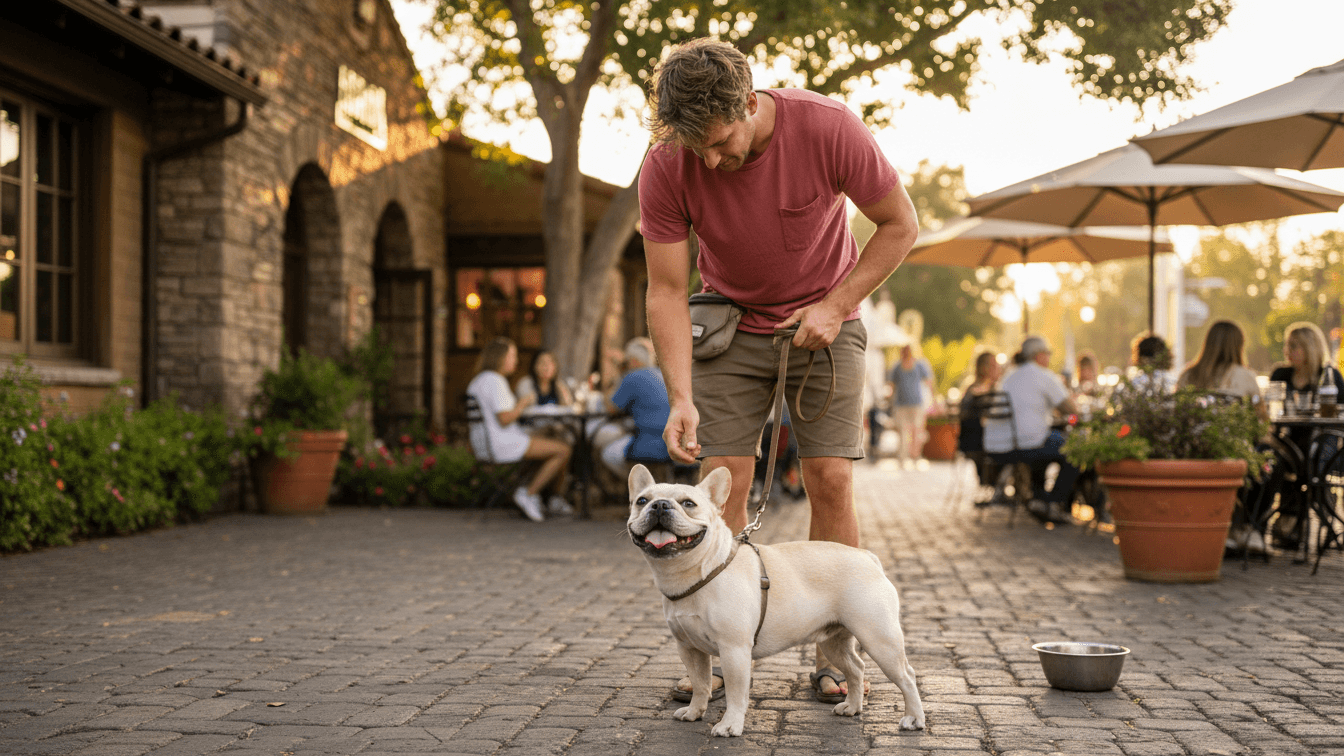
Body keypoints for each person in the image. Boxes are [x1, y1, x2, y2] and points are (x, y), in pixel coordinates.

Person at [638, 38, 919, 704]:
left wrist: (838, 303)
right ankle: (712, 655)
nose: (710, 159)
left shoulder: (826, 127)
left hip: (826, 322)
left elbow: (900, 225)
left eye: (721, 140)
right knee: (720, 486)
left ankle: (832, 655)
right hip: (729, 327)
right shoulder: (668, 163)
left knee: (829, 478)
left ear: (749, 102)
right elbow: (666, 291)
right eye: (694, 146)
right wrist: (679, 395)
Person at [1178, 320, 1268, 554]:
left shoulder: (1188, 375)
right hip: (1235, 453)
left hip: (1192, 452)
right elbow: (1261, 421)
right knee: (1269, 460)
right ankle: (1250, 527)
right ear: (1238, 346)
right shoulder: (1245, 377)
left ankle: (1226, 527)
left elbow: (1177, 416)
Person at [465, 337, 573, 522]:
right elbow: (505, 418)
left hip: (488, 443)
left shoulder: (480, 380)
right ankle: (529, 494)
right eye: (512, 355)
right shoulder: (495, 381)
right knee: (563, 450)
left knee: (550, 441)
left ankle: (537, 494)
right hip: (502, 443)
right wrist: (522, 403)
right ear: (500, 357)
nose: (515, 360)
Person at [982, 336, 1081, 525]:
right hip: (1023, 445)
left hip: (995, 446)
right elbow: (1071, 409)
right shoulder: (1042, 375)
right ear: (1038, 356)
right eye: (1047, 354)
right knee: (1075, 448)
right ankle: (1053, 503)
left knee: (1047, 440)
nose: (1049, 358)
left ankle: (1038, 499)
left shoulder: (1008, 376)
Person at [1266, 322, 1344, 550]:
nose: (1287, 351)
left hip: (1323, 443)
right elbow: (1272, 410)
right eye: (1287, 346)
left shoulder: (1328, 376)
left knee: (1311, 456)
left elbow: (1339, 418)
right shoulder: (1281, 374)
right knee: (1288, 456)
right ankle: (1316, 508)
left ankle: (1292, 520)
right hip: (1287, 440)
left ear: (1310, 348)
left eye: (1294, 346)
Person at [600, 338, 672, 476]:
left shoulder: (633, 376)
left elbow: (610, 408)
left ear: (633, 360)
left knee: (608, 454)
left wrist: (614, 376)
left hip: (647, 441)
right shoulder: (661, 374)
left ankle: (635, 485)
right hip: (668, 440)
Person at [887, 343, 935, 469]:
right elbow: (891, 385)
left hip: (916, 404)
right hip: (900, 404)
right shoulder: (897, 366)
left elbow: (929, 382)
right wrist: (888, 399)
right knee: (902, 432)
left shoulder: (920, 364)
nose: (906, 353)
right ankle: (902, 458)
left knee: (917, 432)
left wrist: (934, 401)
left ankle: (915, 457)